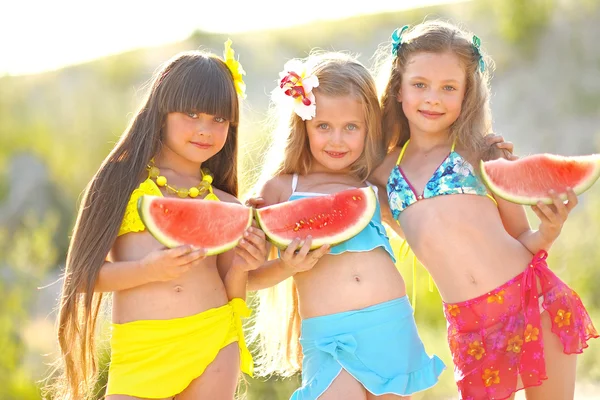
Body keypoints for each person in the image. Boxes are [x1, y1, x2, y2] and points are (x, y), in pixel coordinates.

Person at [369, 20, 598, 400]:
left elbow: (523, 239)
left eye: (448, 88)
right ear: (397, 89)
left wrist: (549, 231)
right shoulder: (381, 175)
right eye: (420, 85)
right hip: (470, 329)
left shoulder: (480, 153)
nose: (433, 98)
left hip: (531, 301)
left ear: (466, 94)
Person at [50, 40, 266, 400]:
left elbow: (234, 285)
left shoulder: (227, 203)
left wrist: (259, 265)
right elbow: (83, 278)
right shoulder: (121, 184)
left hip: (214, 340)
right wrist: (149, 270)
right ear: (160, 112)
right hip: (141, 353)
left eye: (219, 119)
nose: (205, 130)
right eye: (191, 115)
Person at [249, 52, 445, 400]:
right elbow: (247, 278)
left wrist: (483, 152)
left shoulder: (372, 182)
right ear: (303, 124)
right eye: (323, 126)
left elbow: (423, 234)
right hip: (329, 337)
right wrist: (285, 266)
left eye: (350, 127)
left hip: (391, 325)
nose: (336, 140)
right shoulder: (280, 189)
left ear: (369, 128)